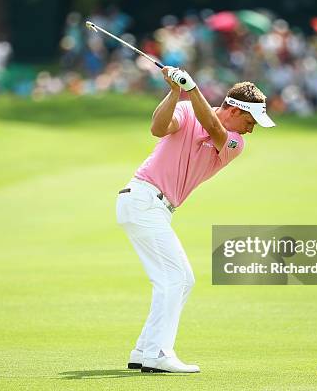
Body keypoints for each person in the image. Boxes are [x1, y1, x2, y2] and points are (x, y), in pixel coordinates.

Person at [116, 67, 275, 373]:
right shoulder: (188, 111)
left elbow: (214, 129)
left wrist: (191, 88)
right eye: (250, 121)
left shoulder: (234, 143)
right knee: (174, 278)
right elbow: (158, 128)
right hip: (143, 199)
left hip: (154, 207)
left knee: (181, 279)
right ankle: (158, 353)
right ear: (234, 109)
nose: (251, 129)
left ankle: (144, 350)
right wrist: (176, 92)